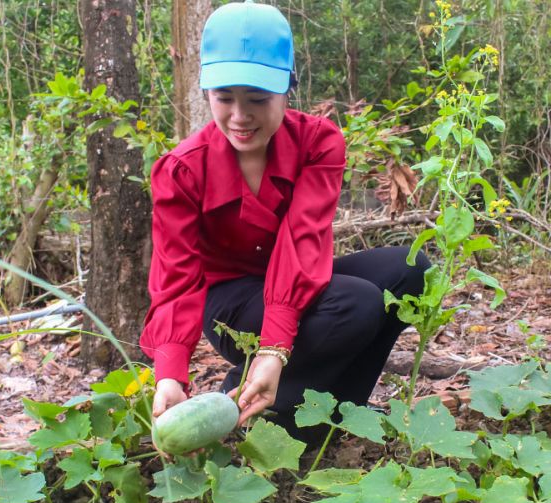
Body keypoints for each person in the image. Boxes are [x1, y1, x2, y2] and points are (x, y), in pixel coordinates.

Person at [140, 0, 429, 443]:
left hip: (297, 284)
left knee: (411, 272)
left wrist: (275, 349)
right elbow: (176, 278)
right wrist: (170, 375)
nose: (240, 116)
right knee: (355, 305)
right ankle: (249, 406)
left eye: (258, 99)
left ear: (288, 88)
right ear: (207, 95)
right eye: (224, 99)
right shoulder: (182, 170)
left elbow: (302, 242)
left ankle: (332, 414)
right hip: (231, 303)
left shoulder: (317, 143)